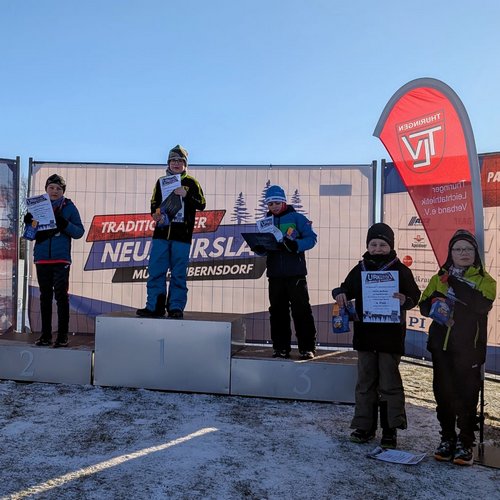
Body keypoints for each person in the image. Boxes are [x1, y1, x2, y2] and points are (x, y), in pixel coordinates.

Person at [332, 223, 420, 448]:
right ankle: (364, 427)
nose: (378, 249)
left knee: (389, 383)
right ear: (367, 246)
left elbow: (414, 296)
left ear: (391, 246)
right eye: (373, 244)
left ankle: (390, 430)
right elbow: (345, 288)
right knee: (365, 383)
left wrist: (406, 300)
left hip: (390, 338)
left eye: (383, 244)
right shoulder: (360, 268)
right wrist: (340, 294)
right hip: (365, 336)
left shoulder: (400, 270)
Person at [419, 229, 496, 466]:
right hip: (441, 348)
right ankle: (447, 439)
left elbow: (480, 305)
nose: (463, 253)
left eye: (468, 249)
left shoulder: (486, 280)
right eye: (458, 249)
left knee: (467, 396)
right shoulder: (439, 277)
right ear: (450, 253)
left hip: (469, 349)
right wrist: (435, 301)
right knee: (443, 395)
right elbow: (423, 306)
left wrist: (454, 283)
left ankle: (465, 442)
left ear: (475, 253)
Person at [137, 145, 206, 319]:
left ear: (185, 164)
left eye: (180, 161)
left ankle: (175, 307)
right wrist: (155, 214)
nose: (176, 163)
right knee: (156, 271)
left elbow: (202, 204)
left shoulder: (192, 182)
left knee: (178, 273)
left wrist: (186, 195)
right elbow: (154, 203)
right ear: (168, 163)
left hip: (182, 236)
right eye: (173, 160)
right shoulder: (161, 182)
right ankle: (155, 306)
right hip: (161, 234)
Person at [252, 185, 317, 360]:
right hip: (275, 274)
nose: (273, 206)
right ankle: (280, 348)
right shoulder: (266, 222)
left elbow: (312, 239)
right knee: (277, 312)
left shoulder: (297, 218)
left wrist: (296, 245)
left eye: (277, 202)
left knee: (301, 310)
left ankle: (307, 348)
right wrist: (260, 248)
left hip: (296, 274)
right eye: (270, 204)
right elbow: (264, 246)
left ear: (284, 202)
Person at [23, 174, 85, 347]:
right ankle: (45, 336)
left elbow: (79, 232)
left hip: (61, 259)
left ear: (63, 191)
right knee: (45, 298)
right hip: (42, 259)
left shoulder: (69, 207)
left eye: (59, 188)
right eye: (51, 187)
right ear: (46, 189)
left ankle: (62, 336)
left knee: (61, 296)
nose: (55, 191)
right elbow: (30, 235)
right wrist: (28, 223)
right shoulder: (37, 208)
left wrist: (64, 224)